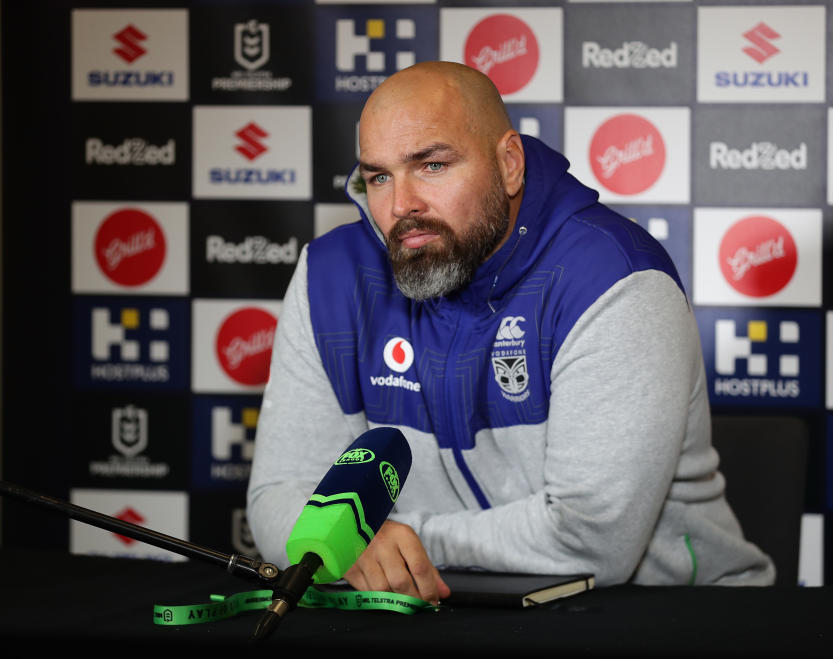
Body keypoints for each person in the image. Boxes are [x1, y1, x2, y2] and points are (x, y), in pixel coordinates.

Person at [246, 61, 775, 606]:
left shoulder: (612, 277)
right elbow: (277, 497)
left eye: (431, 165)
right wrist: (359, 544)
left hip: (670, 615)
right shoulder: (331, 277)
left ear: (510, 164)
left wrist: (375, 541)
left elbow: (591, 540)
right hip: (445, 611)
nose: (401, 205)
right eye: (379, 176)